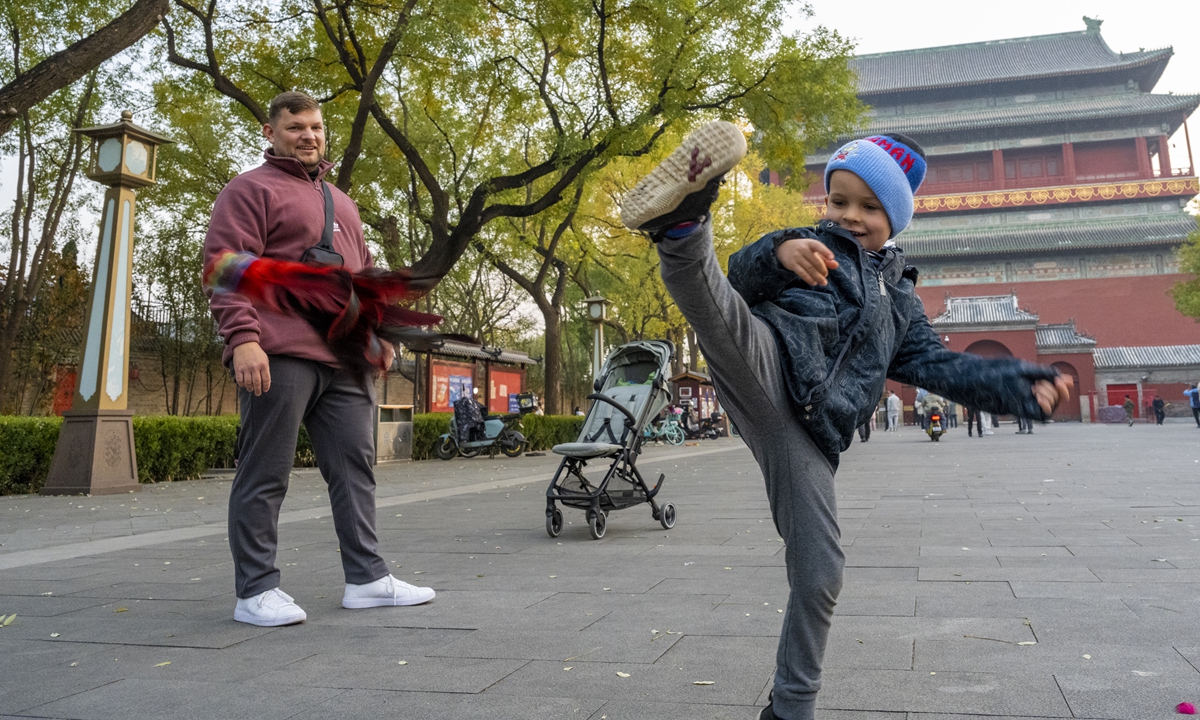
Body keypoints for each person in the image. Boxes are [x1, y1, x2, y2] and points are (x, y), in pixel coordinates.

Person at [618, 122, 1071, 720]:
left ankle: (789, 709)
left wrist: (1019, 387)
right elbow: (741, 277)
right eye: (838, 200)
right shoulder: (810, 243)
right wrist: (780, 253)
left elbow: (938, 366)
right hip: (769, 357)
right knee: (715, 310)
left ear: (896, 218)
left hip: (806, 430)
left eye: (869, 206)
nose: (849, 216)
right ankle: (681, 222)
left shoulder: (901, 303)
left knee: (822, 572)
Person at [204, 91, 434, 627]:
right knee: (266, 472)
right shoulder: (249, 190)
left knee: (356, 469)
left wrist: (376, 334)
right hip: (278, 353)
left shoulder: (342, 201)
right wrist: (243, 338)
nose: (309, 135)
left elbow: (362, 278)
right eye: (296, 127)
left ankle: (368, 579)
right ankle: (255, 591)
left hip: (343, 361)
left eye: (316, 127)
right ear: (270, 131)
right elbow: (225, 266)